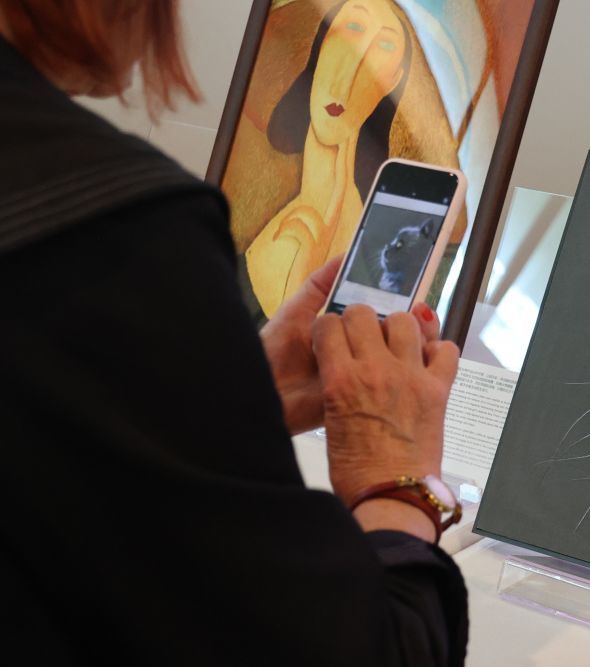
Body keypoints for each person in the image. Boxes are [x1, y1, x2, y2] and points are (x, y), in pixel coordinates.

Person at [0, 1, 467, 664]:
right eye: (345, 33)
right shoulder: (121, 226)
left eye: (385, 48)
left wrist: (215, 406)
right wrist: (397, 482)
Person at [246, 0, 413, 317]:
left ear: (393, 82)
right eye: (353, 27)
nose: (351, 73)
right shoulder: (265, 237)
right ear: (321, 45)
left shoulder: (379, 251)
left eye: (384, 45)